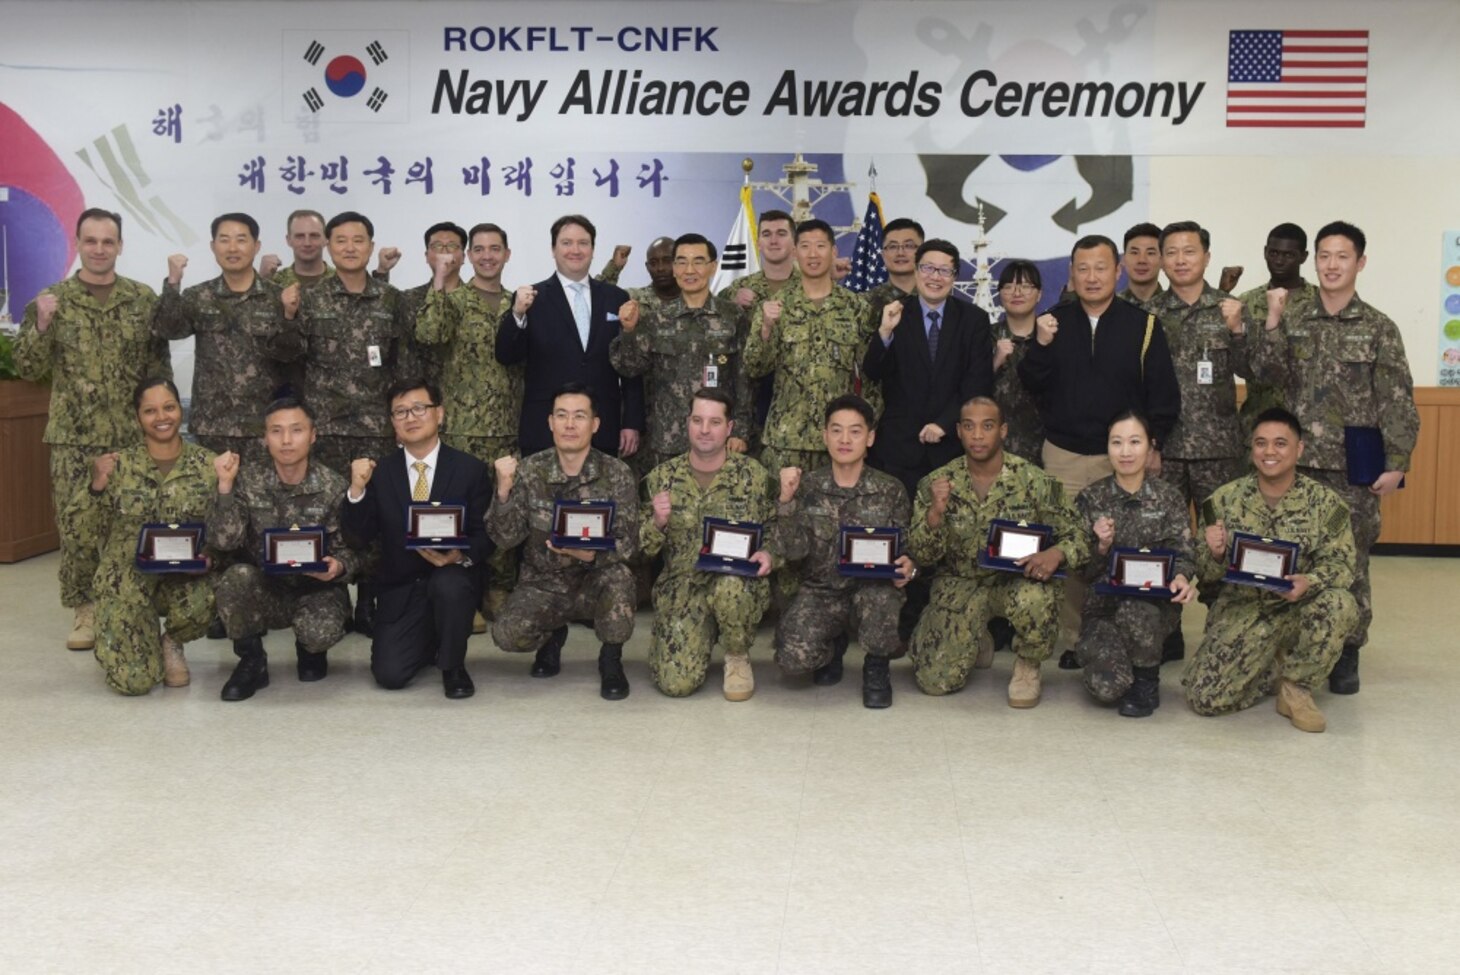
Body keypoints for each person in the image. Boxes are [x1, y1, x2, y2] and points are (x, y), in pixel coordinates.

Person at [1248, 221, 1419, 695]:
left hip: (1353, 468)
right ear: (1313, 260)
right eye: (1324, 255)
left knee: (1351, 560)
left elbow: (1398, 401)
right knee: (1289, 555)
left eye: (1342, 256)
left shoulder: (1379, 327)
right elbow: (1264, 371)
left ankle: (1347, 651)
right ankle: (1289, 645)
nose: (1331, 265)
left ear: (1359, 263)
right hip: (1295, 467)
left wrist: (1397, 461)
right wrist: (1273, 320)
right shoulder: (1295, 315)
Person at [15, 207, 170, 652]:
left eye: (108, 241)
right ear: (78, 245)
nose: (100, 249)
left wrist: (158, 426)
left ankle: (135, 602)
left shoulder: (141, 300)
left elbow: (156, 369)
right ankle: (85, 609)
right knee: (77, 526)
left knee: (134, 524)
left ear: (119, 245)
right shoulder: (51, 300)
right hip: (73, 439)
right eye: (91, 241)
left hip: (129, 436)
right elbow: (28, 367)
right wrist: (42, 325)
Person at [1018, 234, 1180, 649]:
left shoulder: (1143, 325)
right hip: (1065, 456)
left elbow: (1162, 393)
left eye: (1101, 268)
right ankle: (1074, 638)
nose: (1092, 277)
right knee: (1071, 549)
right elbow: (1031, 384)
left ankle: (1126, 632)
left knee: (1123, 546)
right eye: (1083, 268)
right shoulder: (1054, 321)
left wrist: (1153, 444)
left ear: (1118, 271)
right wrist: (1039, 344)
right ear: (1072, 274)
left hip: (1123, 459)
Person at [1184, 408, 1358, 732]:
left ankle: (1296, 687)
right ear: (1251, 449)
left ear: (1299, 449)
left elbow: (1342, 564)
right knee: (1204, 699)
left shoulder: (1325, 504)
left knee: (1340, 603)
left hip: (1300, 607)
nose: (1269, 452)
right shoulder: (1222, 501)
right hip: (1244, 608)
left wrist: (1310, 581)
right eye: (1261, 443)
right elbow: (1205, 574)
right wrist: (1216, 553)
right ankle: (1268, 664)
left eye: (1280, 443)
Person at [908, 397, 1088, 707]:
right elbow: (922, 556)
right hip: (960, 585)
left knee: (1036, 597)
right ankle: (976, 636)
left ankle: (1028, 665)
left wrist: (1056, 553)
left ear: (1003, 431)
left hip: (1016, 581)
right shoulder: (935, 483)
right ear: (959, 432)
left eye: (987, 426)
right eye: (969, 426)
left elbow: (1079, 535)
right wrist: (935, 515)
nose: (978, 435)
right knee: (935, 682)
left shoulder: (1037, 482)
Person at [61, 378, 216, 695]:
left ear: (180, 410)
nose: (162, 417)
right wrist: (97, 486)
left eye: (169, 407)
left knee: (212, 593)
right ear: (137, 417)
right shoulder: (118, 466)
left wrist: (213, 556)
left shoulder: (209, 465)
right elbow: (77, 534)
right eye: (150, 410)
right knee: (136, 682)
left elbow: (228, 530)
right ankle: (125, 640)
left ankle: (171, 642)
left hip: (184, 576)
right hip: (127, 580)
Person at [340, 378, 493, 698]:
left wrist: (459, 556)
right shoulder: (378, 473)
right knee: (389, 674)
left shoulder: (470, 470)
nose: (410, 417)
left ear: (440, 414)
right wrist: (356, 490)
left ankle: (453, 666)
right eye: (400, 412)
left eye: (419, 408)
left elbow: (485, 537)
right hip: (401, 589)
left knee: (449, 584)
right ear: (392, 423)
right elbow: (357, 538)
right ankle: (427, 641)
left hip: (452, 581)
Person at [486, 384, 639, 700]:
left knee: (620, 581)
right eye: (562, 415)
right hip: (544, 584)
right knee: (507, 635)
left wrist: (588, 555)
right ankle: (551, 638)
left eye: (579, 416)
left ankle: (611, 658)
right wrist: (502, 491)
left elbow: (629, 545)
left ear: (595, 424)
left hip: (597, 580)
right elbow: (505, 538)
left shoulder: (617, 473)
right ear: (550, 422)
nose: (570, 425)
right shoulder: (529, 471)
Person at [207, 397, 358, 701]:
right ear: (265, 438)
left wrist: (338, 567)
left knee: (320, 632)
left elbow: (353, 551)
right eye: (276, 431)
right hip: (267, 588)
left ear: (313, 435)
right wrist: (224, 486)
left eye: (296, 430)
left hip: (316, 589)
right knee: (236, 577)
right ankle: (252, 661)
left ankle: (310, 650)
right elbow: (225, 541)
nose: (286, 440)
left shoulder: (333, 486)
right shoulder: (246, 482)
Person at [1147, 221, 1250, 661]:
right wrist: (1147, 442)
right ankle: (1166, 632)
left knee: (1220, 543)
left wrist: (1240, 330)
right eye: (1171, 252)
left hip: (1219, 452)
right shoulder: (1147, 313)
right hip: (1164, 451)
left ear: (1207, 256)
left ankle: (1223, 630)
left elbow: (1256, 371)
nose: (1181, 260)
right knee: (1164, 541)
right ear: (1162, 260)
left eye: (1190, 251)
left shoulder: (1229, 308)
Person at [774, 395, 915, 708]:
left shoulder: (890, 489)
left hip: (873, 588)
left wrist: (909, 567)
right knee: (791, 658)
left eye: (855, 431)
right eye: (836, 431)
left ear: (870, 437)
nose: (845, 439)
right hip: (821, 591)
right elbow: (793, 551)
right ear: (824, 436)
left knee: (881, 602)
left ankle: (876, 666)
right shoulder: (807, 486)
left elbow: (906, 551)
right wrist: (785, 502)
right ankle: (832, 647)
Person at [415, 222, 523, 622]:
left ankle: (498, 587)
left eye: (496, 248)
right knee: (462, 513)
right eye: (479, 249)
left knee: (504, 510)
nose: (487, 256)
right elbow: (428, 334)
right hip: (461, 429)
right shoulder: (453, 299)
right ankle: (466, 592)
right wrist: (440, 280)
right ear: (468, 256)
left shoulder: (520, 303)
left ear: (507, 254)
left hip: (508, 428)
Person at [640, 388, 777, 700]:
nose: (704, 430)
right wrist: (656, 524)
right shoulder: (661, 478)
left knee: (731, 587)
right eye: (697, 420)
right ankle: (692, 634)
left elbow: (778, 525)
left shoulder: (754, 476)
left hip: (736, 584)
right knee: (675, 685)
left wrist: (771, 552)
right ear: (687, 422)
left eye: (714, 422)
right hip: (683, 588)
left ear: (729, 428)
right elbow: (636, 549)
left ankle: (737, 655)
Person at [1072, 412, 1197, 717]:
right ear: (1108, 447)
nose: (1125, 452)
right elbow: (1082, 570)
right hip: (1104, 608)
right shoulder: (1091, 498)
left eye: (1134, 442)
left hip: (1153, 607)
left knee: (1136, 609)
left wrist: (1181, 576)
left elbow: (1184, 552)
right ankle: (1122, 659)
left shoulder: (1168, 497)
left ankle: (1146, 681)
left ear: (1150, 446)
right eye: (1117, 443)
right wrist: (1100, 545)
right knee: (1107, 687)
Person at [496, 213, 644, 458]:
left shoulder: (616, 298)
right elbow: (505, 356)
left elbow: (631, 367)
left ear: (593, 249)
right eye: (566, 243)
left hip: (603, 427)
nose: (575, 250)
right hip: (545, 430)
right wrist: (517, 314)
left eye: (583, 243)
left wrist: (631, 422)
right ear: (553, 249)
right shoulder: (531, 298)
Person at [152, 211, 288, 470]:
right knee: (213, 505)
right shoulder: (199, 296)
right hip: (212, 427)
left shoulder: (277, 298)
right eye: (224, 240)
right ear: (213, 247)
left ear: (256, 246)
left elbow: (293, 354)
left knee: (263, 506)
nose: (233, 248)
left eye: (241, 239)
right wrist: (173, 283)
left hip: (265, 427)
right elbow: (166, 329)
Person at [610, 233, 753, 474]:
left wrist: (740, 431)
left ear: (712, 267)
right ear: (675, 268)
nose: (690, 270)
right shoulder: (655, 319)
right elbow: (628, 367)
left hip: (720, 441)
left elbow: (745, 379)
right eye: (682, 262)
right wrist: (628, 332)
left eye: (698, 261)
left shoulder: (734, 317)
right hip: (667, 442)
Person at [862, 238, 993, 501]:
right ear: (916, 270)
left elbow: (978, 382)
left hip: (951, 448)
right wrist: (885, 331)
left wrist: (944, 423)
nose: (935, 277)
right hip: (898, 449)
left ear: (954, 276)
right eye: (928, 268)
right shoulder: (894, 312)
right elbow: (872, 371)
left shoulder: (974, 319)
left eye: (944, 271)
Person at [745, 218, 873, 476]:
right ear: (794, 252)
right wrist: (766, 329)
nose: (813, 254)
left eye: (820, 246)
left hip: (840, 442)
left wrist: (865, 429)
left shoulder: (856, 308)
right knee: (781, 512)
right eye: (805, 246)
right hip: (785, 442)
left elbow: (871, 377)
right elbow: (754, 367)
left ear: (834, 251)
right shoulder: (775, 306)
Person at [717, 209, 799, 452]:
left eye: (781, 233)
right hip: (748, 407)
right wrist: (732, 299)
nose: (774, 240)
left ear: (794, 242)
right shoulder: (740, 288)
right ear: (758, 242)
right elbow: (712, 313)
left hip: (796, 406)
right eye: (767, 234)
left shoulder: (809, 287)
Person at [1234, 223, 1315, 426]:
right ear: (1265, 252)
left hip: (1308, 425)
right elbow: (1239, 364)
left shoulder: (1320, 302)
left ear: (1303, 257)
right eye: (1274, 253)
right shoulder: (1246, 302)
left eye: (1288, 255)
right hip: (1258, 421)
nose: (1279, 260)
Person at [990, 260, 1047, 466]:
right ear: (999, 294)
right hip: (994, 452)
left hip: (1046, 451)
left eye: (1025, 286)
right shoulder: (984, 336)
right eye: (1009, 286)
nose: (1017, 293)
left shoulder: (1052, 338)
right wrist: (995, 362)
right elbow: (970, 390)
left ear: (1039, 294)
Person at [262, 208, 399, 290]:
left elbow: (374, 304)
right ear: (288, 240)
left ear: (325, 240)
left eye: (314, 235)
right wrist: (261, 280)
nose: (307, 243)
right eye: (299, 236)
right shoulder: (274, 282)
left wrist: (382, 272)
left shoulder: (344, 277)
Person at [861, 217, 924, 334]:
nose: (900, 253)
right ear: (883, 254)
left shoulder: (935, 300)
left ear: (923, 252)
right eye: (893, 246)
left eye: (909, 246)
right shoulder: (864, 304)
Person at [1116, 222, 1163, 311]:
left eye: (1150, 253)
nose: (1142, 260)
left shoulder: (1181, 309)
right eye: (1134, 252)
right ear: (1124, 259)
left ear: (1163, 260)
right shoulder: (1108, 309)